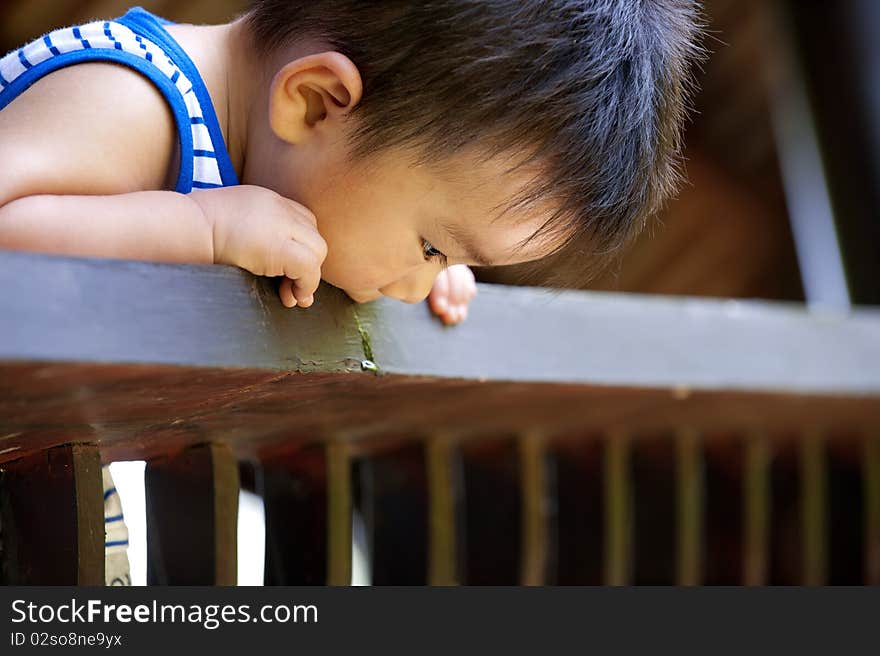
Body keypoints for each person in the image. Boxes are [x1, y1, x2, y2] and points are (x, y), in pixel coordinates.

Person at [0, 1, 703, 583]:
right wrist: (199, 227)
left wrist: (422, 255)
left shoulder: (269, 157)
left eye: (458, 260)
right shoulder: (130, 94)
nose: (417, 285)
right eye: (433, 244)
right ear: (313, 104)